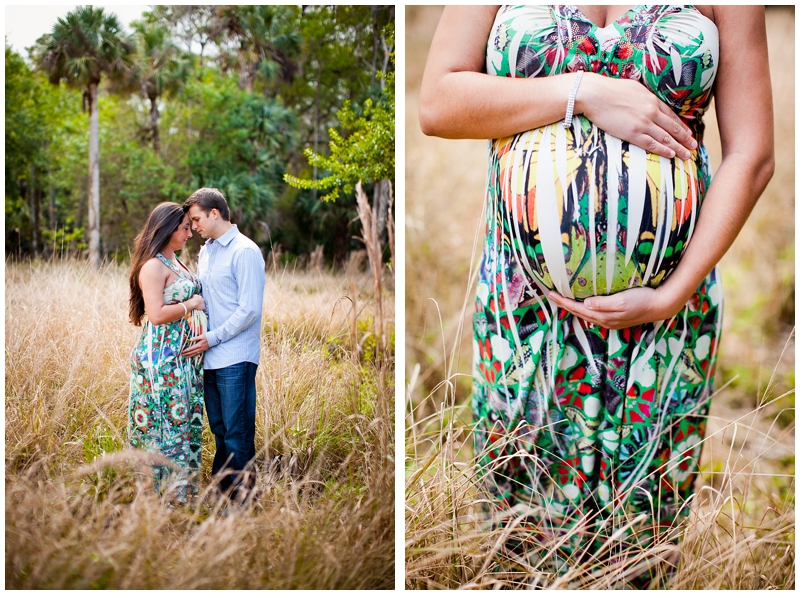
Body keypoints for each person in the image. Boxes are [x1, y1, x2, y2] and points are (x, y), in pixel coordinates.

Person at [420, 5, 773, 587]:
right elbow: (438, 103)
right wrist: (582, 93)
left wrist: (673, 294)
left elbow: (753, 154)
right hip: (526, 310)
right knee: (522, 524)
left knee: (642, 528)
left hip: (668, 318)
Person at [182, 188, 266, 503]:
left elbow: (249, 309)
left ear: (214, 213)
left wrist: (212, 337)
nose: (194, 227)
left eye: (197, 219)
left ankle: (244, 503)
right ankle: (224, 496)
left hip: (235, 357)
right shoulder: (208, 251)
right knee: (219, 430)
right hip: (210, 356)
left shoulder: (245, 251)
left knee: (237, 433)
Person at [128, 202, 207, 503]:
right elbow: (157, 314)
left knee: (182, 422)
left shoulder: (177, 262)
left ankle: (180, 492)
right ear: (167, 229)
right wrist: (192, 305)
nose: (190, 233)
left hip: (182, 359)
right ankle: (160, 496)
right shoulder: (153, 266)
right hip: (160, 361)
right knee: (163, 426)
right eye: (185, 227)